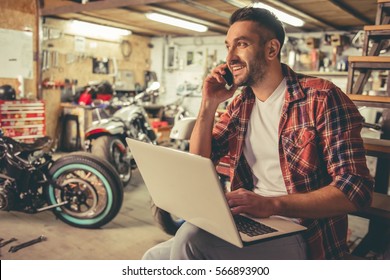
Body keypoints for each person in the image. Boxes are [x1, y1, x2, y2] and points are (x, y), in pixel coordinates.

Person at [143, 7, 374, 260]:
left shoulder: (321, 97)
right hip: (247, 222)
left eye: (241, 45)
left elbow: (356, 190)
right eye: (228, 46)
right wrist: (208, 103)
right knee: (154, 258)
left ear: (272, 50)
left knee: (191, 242)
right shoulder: (241, 104)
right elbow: (200, 162)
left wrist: (272, 204)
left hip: (302, 232)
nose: (230, 57)